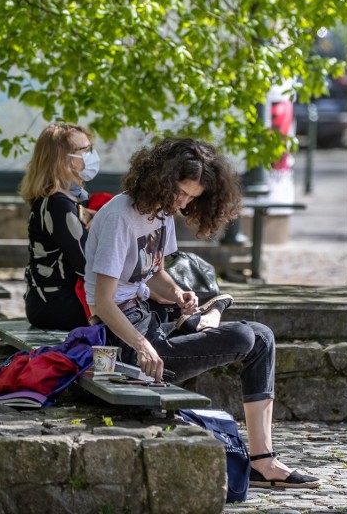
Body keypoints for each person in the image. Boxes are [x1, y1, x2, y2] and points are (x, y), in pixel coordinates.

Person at [84, 137, 320, 489]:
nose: (182, 203)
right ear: (160, 178)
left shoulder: (160, 215)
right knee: (243, 336)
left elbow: (154, 273)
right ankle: (261, 463)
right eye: (180, 192)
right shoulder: (121, 217)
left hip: (150, 320)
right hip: (120, 339)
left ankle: (262, 459)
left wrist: (178, 294)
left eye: (192, 198)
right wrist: (143, 346)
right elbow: (103, 302)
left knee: (261, 336)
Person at [20, 122, 101, 330]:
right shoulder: (58, 203)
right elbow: (86, 264)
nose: (92, 154)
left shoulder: (68, 198)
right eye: (85, 150)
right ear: (63, 159)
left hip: (49, 302)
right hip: (57, 304)